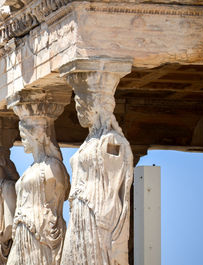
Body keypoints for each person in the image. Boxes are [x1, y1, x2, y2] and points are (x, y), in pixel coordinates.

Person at [61, 75, 133, 265]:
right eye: (77, 105)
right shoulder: (88, 142)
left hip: (98, 210)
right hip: (80, 209)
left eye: (83, 105)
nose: (79, 110)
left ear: (98, 107)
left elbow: (117, 182)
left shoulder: (112, 141)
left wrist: (105, 214)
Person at [7, 115, 70, 265]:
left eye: (24, 136)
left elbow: (60, 198)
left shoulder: (53, 166)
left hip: (41, 231)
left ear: (35, 136)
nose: (22, 141)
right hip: (23, 229)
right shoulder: (29, 169)